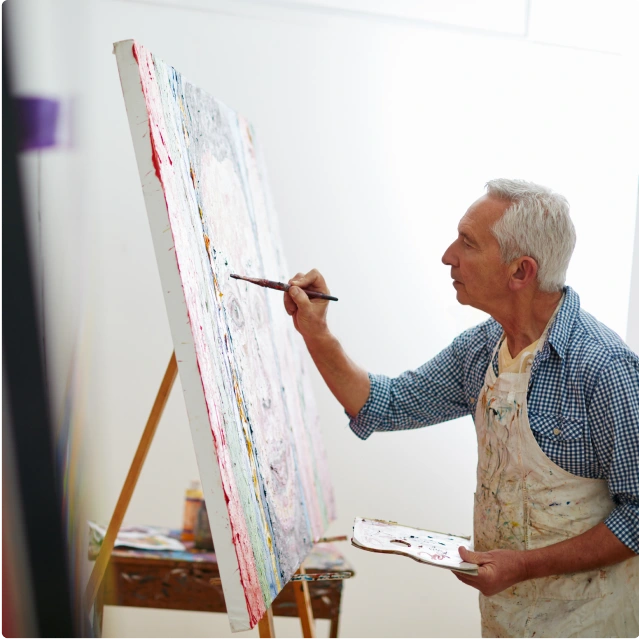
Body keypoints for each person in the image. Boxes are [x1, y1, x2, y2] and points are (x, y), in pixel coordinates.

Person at [283, 179, 639, 638]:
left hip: (591, 624)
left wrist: (524, 566)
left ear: (520, 272)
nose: (449, 255)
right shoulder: (481, 351)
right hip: (506, 621)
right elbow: (384, 404)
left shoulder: (603, 367)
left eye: (468, 243)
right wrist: (317, 334)